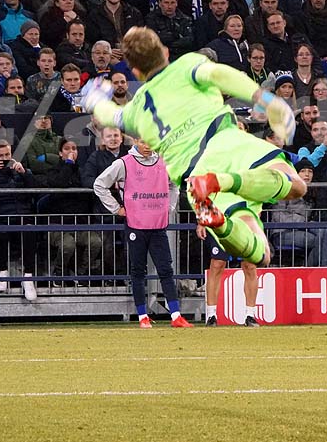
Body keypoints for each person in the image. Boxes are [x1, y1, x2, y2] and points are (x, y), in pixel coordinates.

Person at [87, 27, 307, 328]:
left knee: (259, 251)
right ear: (165, 52)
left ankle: (220, 217)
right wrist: (267, 99)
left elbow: (111, 116)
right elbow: (220, 74)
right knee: (296, 185)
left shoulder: (136, 110)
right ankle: (226, 181)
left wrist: (95, 99)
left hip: (194, 180)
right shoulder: (187, 65)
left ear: (135, 70)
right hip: (226, 143)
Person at [93, 138, 190, 328]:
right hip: (136, 225)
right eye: (144, 142)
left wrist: (168, 208)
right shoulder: (124, 163)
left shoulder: (164, 162)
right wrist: (116, 208)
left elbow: (174, 185)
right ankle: (142, 316)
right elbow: (99, 184)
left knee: (166, 270)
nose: (148, 146)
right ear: (136, 141)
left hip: (157, 225)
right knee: (138, 271)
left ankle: (176, 315)